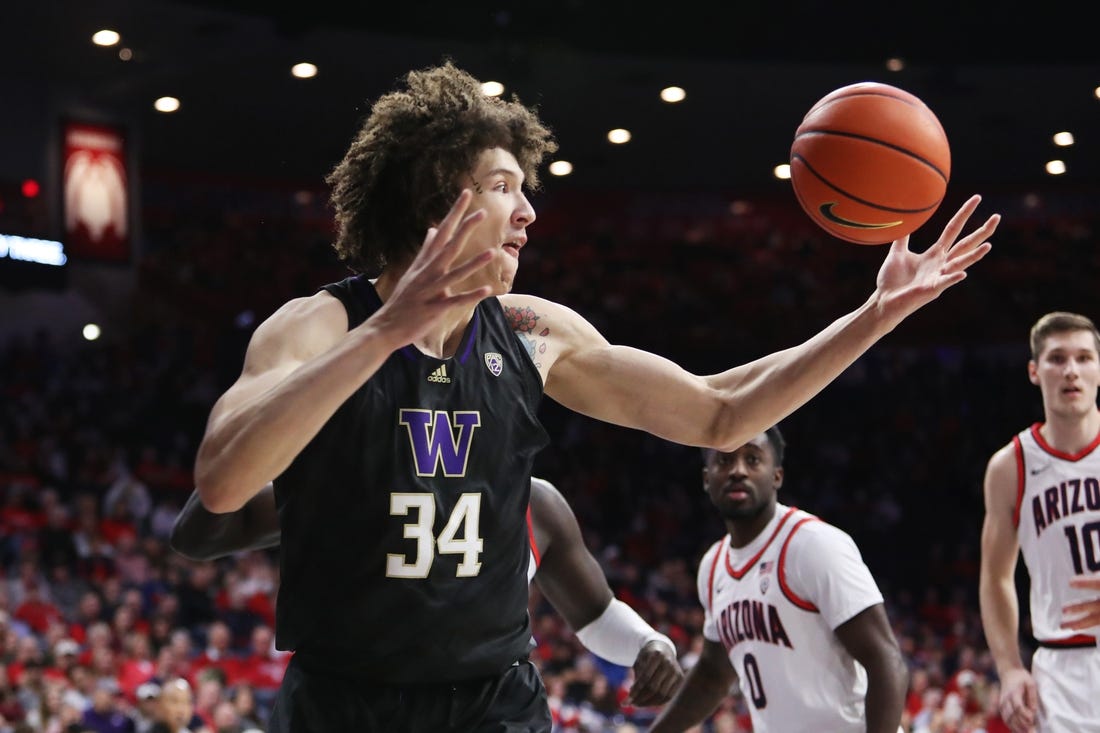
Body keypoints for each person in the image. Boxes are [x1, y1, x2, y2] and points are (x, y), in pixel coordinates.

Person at [190, 60, 997, 732]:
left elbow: (722, 409)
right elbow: (222, 483)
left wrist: (875, 316)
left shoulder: (533, 330)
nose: (530, 212)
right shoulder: (319, 326)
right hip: (344, 698)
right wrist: (384, 333)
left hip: (492, 697)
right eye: (506, 187)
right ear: (441, 199)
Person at [169, 477, 684, 706]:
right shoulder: (349, 478)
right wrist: (254, 436)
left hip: (482, 709)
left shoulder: (535, 502)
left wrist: (649, 643)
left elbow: (598, 615)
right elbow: (199, 535)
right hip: (355, 706)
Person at [649, 426, 908, 733]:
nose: (738, 471)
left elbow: (886, 661)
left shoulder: (812, 545)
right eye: (725, 461)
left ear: (777, 476)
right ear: (707, 479)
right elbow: (713, 673)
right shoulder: (713, 566)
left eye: (753, 459)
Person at [979, 311, 1100, 733]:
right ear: (1034, 370)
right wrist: (1010, 668)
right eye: (1057, 358)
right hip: (1060, 672)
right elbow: (995, 578)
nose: (1071, 371)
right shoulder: (1011, 466)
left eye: (1084, 358)